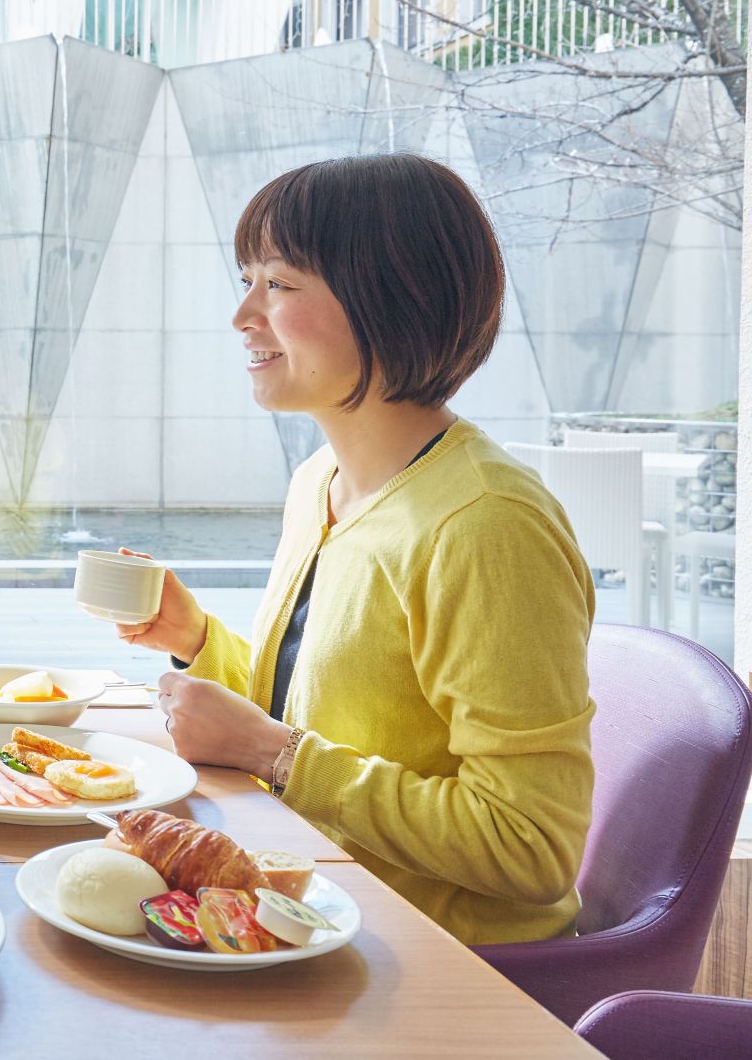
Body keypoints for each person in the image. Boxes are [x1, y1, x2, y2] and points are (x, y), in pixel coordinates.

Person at [119, 153, 595, 945]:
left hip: (442, 967)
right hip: (316, 917)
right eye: (247, 280)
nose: (244, 314)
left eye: (278, 283)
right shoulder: (321, 481)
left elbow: (531, 846)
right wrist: (196, 641)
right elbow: (317, 724)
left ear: (389, 298)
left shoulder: (487, 524)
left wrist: (278, 755)